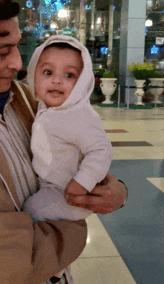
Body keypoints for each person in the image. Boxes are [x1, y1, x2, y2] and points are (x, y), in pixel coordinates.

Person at [0, 1, 127, 284]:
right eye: (3, 51)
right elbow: (13, 259)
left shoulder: (27, 99)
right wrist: (76, 222)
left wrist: (114, 189)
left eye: (17, 46)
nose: (18, 63)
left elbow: (75, 154)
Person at [23, 35, 113, 223]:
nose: (57, 81)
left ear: (82, 83)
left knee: (31, 210)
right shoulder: (46, 107)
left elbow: (101, 149)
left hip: (69, 194)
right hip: (50, 185)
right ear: (34, 75)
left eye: (69, 75)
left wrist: (83, 182)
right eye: (47, 72)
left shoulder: (79, 115)